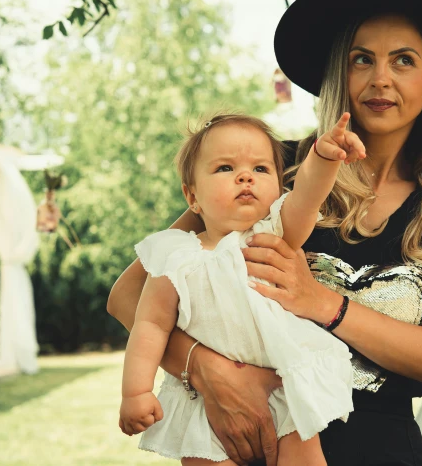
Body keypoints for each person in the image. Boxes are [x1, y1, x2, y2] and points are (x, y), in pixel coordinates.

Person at [108, 0, 422, 466]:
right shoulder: (271, 171)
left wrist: (321, 302)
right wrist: (209, 371)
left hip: (385, 449)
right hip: (257, 436)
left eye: (403, 60)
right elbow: (129, 296)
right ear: (342, 73)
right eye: (362, 60)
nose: (380, 78)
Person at [117, 112, 365, 465]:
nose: (246, 176)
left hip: (284, 383)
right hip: (206, 402)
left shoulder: (273, 234)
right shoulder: (175, 256)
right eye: (225, 168)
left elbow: (307, 197)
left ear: (278, 188)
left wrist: (323, 158)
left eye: (261, 169)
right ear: (192, 197)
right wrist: (136, 392)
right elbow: (151, 325)